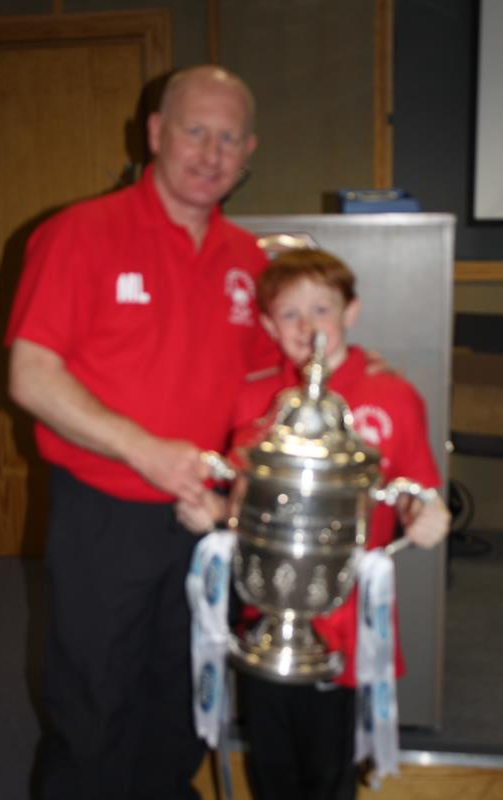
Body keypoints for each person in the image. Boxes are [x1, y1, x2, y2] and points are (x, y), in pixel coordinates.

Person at [6, 64, 274, 800]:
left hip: (203, 517)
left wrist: (241, 472)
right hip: (104, 513)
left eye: (229, 138)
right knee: (93, 698)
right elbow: (31, 375)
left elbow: (263, 387)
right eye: (195, 131)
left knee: (182, 694)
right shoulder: (80, 233)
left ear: (248, 151)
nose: (210, 154)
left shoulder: (249, 261)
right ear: (155, 133)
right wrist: (145, 451)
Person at [176, 248, 450, 800]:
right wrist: (214, 512)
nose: (307, 327)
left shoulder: (392, 396)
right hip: (263, 614)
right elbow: (241, 501)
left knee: (329, 770)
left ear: (351, 311)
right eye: (290, 314)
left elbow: (416, 491)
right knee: (270, 761)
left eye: (321, 309)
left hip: (346, 621)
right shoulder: (254, 399)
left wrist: (426, 515)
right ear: (268, 325)